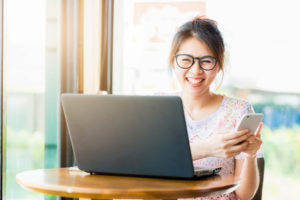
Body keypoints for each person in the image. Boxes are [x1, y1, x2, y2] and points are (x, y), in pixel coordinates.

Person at [168, 16, 263, 200]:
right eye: (186, 60)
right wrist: (207, 148)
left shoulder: (238, 110)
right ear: (173, 61)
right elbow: (151, 165)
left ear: (219, 65)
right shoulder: (158, 110)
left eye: (206, 61)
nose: (196, 70)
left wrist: (250, 156)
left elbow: (244, 195)